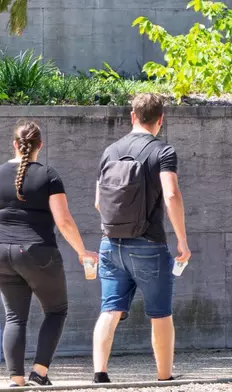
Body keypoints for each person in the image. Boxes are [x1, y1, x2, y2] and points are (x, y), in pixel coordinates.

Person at [0, 120, 98, 387]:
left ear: (14, 144)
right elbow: (64, 220)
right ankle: (39, 372)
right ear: (40, 146)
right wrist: (82, 252)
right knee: (56, 311)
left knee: (14, 317)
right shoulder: (48, 175)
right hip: (37, 251)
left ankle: (16, 379)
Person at [92, 93, 191, 383]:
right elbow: (171, 194)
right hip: (148, 243)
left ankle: (99, 373)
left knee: (110, 309)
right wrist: (182, 240)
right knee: (160, 312)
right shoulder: (163, 151)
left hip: (110, 243)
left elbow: (99, 202)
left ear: (132, 116)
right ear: (160, 120)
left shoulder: (110, 151)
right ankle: (164, 376)